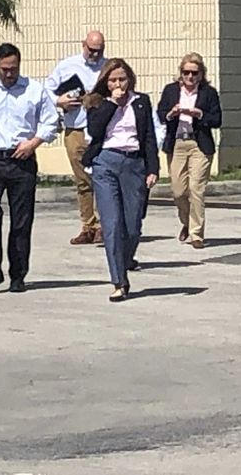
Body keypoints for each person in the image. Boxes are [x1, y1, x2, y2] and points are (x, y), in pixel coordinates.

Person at [0, 43, 60, 294]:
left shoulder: (34, 90)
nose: (9, 74)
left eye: (13, 69)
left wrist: (33, 143)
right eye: (5, 69)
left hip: (21, 160)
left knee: (21, 219)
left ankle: (18, 274)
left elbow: (51, 121)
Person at [81, 59, 159, 302]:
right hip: (105, 161)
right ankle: (119, 281)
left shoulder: (141, 101)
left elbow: (149, 136)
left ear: (130, 80)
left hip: (134, 163)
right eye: (113, 80)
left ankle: (124, 260)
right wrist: (112, 103)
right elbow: (94, 130)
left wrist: (153, 168)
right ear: (106, 82)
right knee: (112, 223)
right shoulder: (97, 102)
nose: (118, 84)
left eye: (122, 79)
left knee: (133, 225)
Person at [45, 30, 107, 245]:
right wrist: (59, 101)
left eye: (99, 51)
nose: (95, 55)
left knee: (102, 178)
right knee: (83, 181)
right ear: (83, 45)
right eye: (92, 50)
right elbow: (47, 90)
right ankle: (88, 226)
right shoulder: (67, 66)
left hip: (100, 130)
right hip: (76, 128)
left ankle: (104, 226)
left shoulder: (108, 67)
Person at [157, 53, 222, 250]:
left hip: (199, 145)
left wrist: (200, 114)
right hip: (177, 143)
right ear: (181, 73)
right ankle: (186, 222)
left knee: (196, 189)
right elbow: (160, 114)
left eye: (194, 73)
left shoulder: (208, 93)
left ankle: (196, 234)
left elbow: (217, 119)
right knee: (178, 191)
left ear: (201, 74)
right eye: (186, 73)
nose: (190, 77)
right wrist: (171, 114)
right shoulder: (171, 91)